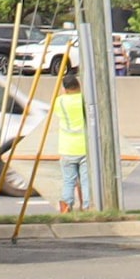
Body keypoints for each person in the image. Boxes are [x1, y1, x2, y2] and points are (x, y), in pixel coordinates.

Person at [52, 63, 89, 213]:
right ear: (78, 85)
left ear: (65, 88)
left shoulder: (59, 101)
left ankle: (66, 205)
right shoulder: (83, 100)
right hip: (84, 146)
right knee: (86, 181)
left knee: (68, 180)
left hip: (67, 147)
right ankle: (87, 206)